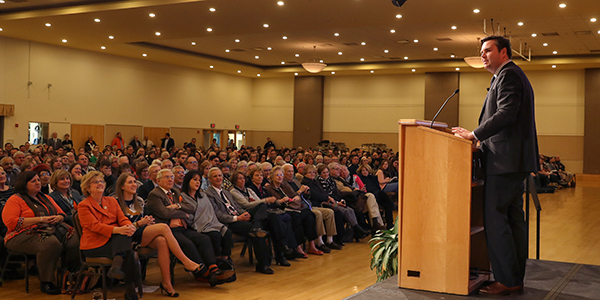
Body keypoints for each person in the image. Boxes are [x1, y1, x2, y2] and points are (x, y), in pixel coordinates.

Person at [452, 35, 539, 295]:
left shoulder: (509, 75)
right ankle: (513, 278)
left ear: (504, 52)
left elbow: (505, 113)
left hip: (505, 162)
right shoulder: (508, 75)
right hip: (511, 160)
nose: (483, 55)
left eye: (488, 50)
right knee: (513, 220)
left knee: (496, 219)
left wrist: (474, 135)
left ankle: (506, 279)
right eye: (481, 51)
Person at [114, 173, 206, 296]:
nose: (134, 184)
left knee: (162, 241)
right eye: (130, 182)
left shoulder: (139, 201)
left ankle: (167, 283)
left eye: (134, 182)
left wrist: (148, 221)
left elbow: (147, 218)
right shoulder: (115, 202)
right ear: (121, 186)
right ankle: (186, 261)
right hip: (126, 237)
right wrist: (140, 223)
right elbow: (120, 226)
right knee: (163, 227)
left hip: (143, 232)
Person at [146, 169, 230, 286]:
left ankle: (213, 268)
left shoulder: (175, 191)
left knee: (203, 239)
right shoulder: (154, 195)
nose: (170, 179)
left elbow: (191, 208)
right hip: (169, 230)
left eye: (171, 177)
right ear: (158, 180)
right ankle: (202, 272)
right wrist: (182, 213)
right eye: (167, 177)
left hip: (183, 227)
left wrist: (177, 206)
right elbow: (164, 213)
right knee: (188, 243)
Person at [2, 171, 80, 295]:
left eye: (38, 180)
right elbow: (11, 222)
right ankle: (47, 281)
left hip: (49, 229)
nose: (38, 183)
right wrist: (40, 219)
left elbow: (61, 213)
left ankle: (70, 276)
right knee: (50, 244)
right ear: (24, 183)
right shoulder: (15, 199)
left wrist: (59, 218)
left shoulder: (45, 197)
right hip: (20, 235)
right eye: (33, 181)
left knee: (76, 238)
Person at [77, 171, 142, 300]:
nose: (100, 183)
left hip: (114, 241)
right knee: (126, 248)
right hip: (94, 245)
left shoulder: (111, 200)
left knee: (125, 242)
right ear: (87, 187)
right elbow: (95, 226)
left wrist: (129, 226)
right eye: (95, 182)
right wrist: (120, 230)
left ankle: (117, 265)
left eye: (101, 181)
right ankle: (130, 293)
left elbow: (122, 218)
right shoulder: (84, 205)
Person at [204, 167, 273, 274]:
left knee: (261, 206)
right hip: (228, 222)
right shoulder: (208, 194)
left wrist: (244, 214)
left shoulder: (226, 192)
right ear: (210, 179)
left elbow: (237, 207)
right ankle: (263, 264)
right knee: (257, 232)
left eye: (220, 175)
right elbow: (217, 215)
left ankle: (256, 227)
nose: (218, 178)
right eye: (215, 176)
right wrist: (238, 218)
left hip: (239, 217)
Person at [180, 170, 233, 260]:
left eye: (199, 180)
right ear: (188, 180)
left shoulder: (202, 195)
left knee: (227, 232)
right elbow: (186, 215)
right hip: (195, 225)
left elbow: (210, 211)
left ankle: (225, 258)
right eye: (195, 179)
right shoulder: (182, 196)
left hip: (210, 222)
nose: (198, 182)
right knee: (215, 235)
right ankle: (216, 259)